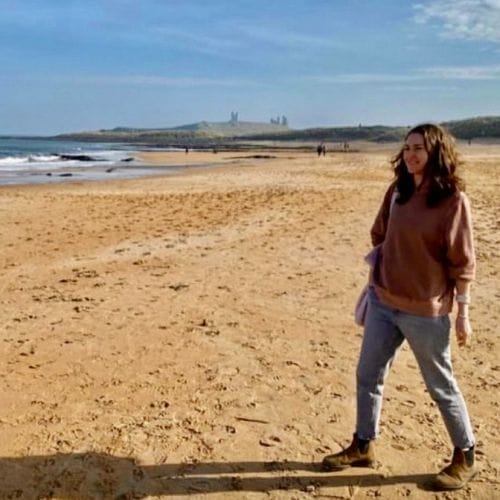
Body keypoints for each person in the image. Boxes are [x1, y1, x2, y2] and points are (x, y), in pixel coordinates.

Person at [322, 124, 478, 491]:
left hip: (426, 311)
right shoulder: (398, 191)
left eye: (419, 148)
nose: (410, 154)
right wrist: (385, 270)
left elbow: (463, 262)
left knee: (440, 385)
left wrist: (463, 314)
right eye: (407, 147)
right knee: (368, 374)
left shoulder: (452, 200)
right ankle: (363, 444)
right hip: (383, 302)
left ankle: (465, 455)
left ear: (436, 152)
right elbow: (379, 234)